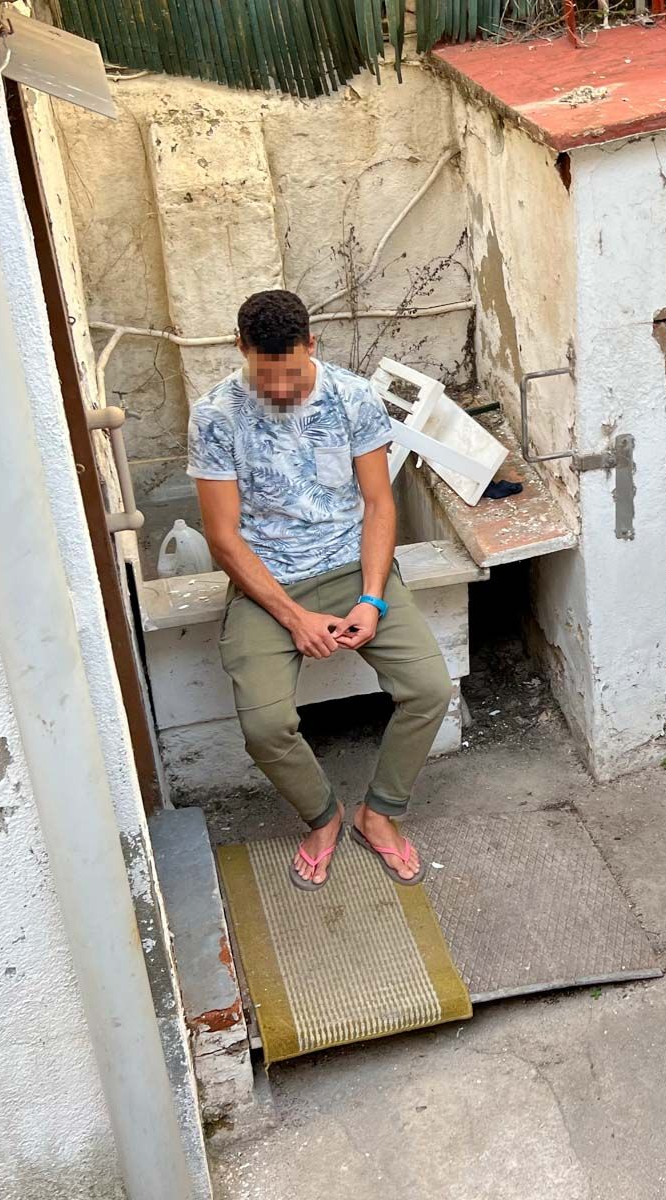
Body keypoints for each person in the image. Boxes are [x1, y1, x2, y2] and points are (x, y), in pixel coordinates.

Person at [188, 289, 451, 890]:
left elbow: (380, 504)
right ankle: (323, 817)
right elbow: (225, 540)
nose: (279, 390)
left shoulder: (354, 397)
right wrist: (291, 617)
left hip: (353, 571)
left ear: (312, 345)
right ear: (241, 351)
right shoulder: (214, 416)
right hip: (266, 583)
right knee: (265, 726)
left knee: (431, 689)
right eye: (264, 375)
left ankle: (378, 813)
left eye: (290, 374)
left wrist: (373, 597)